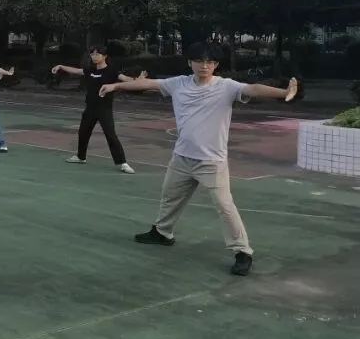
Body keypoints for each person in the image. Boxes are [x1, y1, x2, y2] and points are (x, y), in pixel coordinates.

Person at [99, 41, 298, 276]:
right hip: (182, 158)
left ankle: (242, 251)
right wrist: (115, 86)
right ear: (190, 62)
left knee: (225, 207)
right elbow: (149, 83)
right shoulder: (178, 83)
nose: (205, 66)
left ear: (216, 65)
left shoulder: (226, 86)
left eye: (210, 62)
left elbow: (253, 89)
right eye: (200, 61)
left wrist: (284, 93)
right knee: (170, 197)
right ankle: (162, 233)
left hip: (211, 162)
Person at [52, 45, 144, 173]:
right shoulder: (90, 70)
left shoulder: (111, 71)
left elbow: (125, 79)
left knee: (110, 135)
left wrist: (137, 80)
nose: (94, 57)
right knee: (83, 132)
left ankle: (123, 163)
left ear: (104, 56)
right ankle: (80, 157)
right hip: (90, 108)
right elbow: (76, 71)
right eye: (92, 54)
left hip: (104, 109)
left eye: (97, 54)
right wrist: (61, 66)